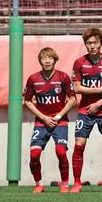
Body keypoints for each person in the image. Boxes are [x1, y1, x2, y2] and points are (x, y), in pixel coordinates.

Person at [70, 27, 102, 193]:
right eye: (89, 43)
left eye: (95, 42)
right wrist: (100, 90)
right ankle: (77, 183)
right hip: (85, 111)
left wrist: (98, 103)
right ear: (85, 45)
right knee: (79, 144)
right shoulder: (79, 63)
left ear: (100, 43)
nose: (92, 46)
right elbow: (77, 88)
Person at [24, 47, 76, 194]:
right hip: (42, 122)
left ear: (55, 60)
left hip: (60, 122)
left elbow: (73, 99)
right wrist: (44, 117)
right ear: (40, 61)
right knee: (34, 155)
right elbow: (27, 101)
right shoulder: (33, 79)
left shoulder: (63, 77)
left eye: (50, 58)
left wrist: (59, 116)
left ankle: (65, 184)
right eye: (43, 58)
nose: (47, 61)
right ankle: (38, 184)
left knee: (60, 152)